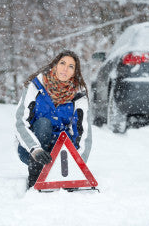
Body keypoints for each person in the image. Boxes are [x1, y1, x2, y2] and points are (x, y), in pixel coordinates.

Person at [15, 50, 92, 188]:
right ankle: (36, 175)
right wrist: (35, 149)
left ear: (75, 72)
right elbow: (20, 123)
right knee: (44, 124)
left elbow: (83, 133)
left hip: (60, 153)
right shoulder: (36, 87)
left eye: (71, 66)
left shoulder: (78, 96)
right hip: (32, 150)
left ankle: (55, 172)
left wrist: (77, 164)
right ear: (55, 65)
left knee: (65, 138)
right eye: (62, 63)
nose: (65, 68)